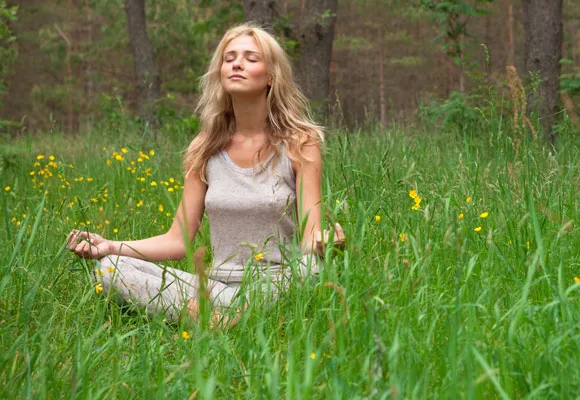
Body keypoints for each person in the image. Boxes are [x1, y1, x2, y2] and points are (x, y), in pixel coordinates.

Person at [66, 23, 345, 325]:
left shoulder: (300, 143)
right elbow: (178, 241)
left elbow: (309, 238)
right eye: (229, 58)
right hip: (218, 289)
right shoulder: (205, 148)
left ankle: (217, 318)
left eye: (251, 58)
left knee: (312, 267)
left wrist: (325, 241)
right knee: (109, 268)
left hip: (280, 283)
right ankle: (229, 318)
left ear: (271, 76)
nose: (237, 63)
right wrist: (110, 246)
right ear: (221, 72)